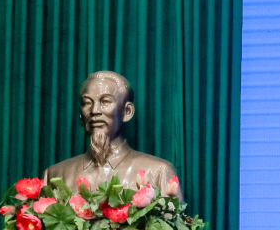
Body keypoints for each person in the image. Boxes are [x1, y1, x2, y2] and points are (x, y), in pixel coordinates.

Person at [44, 71, 181, 198]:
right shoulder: (54, 175)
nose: (94, 110)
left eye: (105, 102)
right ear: (81, 115)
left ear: (127, 112)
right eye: (87, 103)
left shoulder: (159, 173)